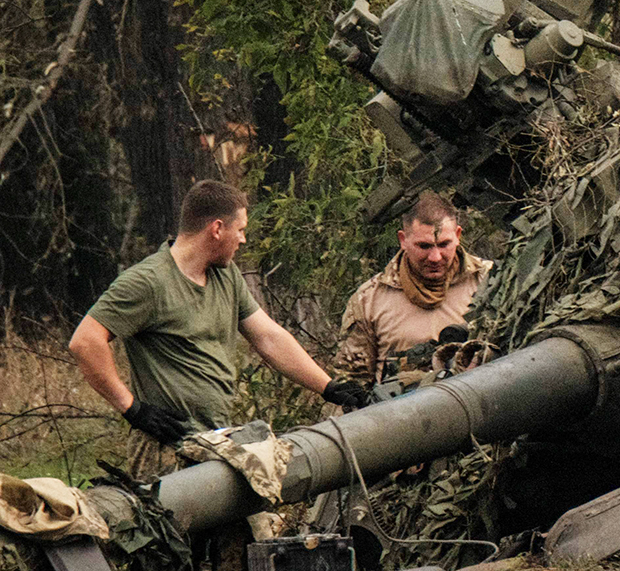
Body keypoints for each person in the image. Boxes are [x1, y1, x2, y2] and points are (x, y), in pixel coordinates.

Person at [69, 180, 371, 475]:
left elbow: (268, 337)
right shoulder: (148, 282)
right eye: (240, 230)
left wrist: (328, 387)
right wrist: (133, 409)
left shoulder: (226, 275)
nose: (243, 240)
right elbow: (85, 341)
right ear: (217, 229)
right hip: (166, 447)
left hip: (218, 441)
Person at [335, 192, 494, 383]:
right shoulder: (369, 300)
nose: (435, 257)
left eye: (444, 244)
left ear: (458, 235)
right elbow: (351, 383)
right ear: (403, 240)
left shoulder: (491, 280)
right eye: (424, 246)